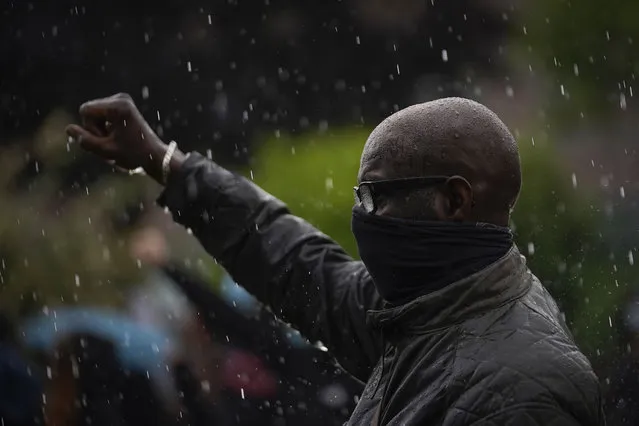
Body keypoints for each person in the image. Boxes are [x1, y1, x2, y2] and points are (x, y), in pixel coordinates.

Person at [66, 93, 604, 425]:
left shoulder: (522, 388)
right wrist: (165, 162)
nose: (362, 216)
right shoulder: (428, 312)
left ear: (454, 200)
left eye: (375, 197)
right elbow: (294, 261)